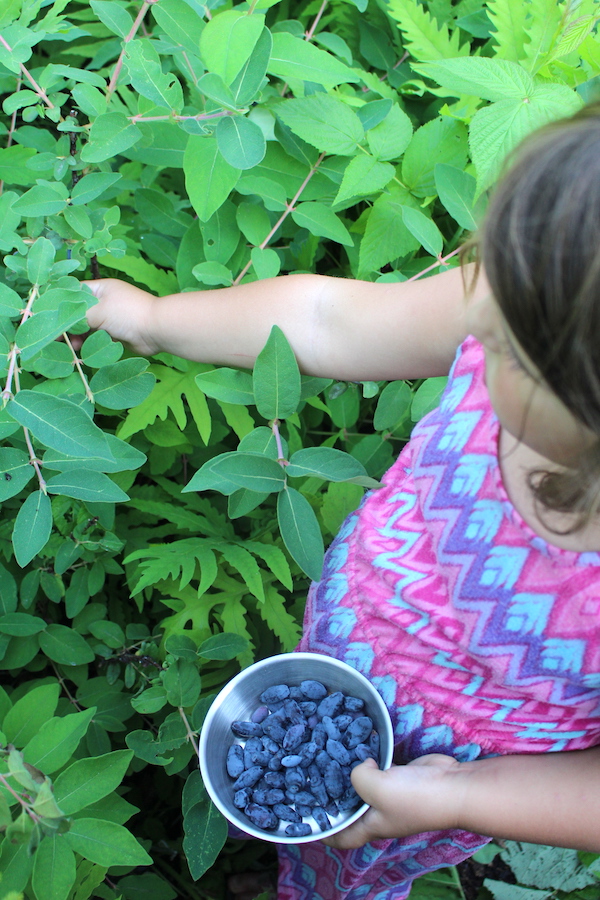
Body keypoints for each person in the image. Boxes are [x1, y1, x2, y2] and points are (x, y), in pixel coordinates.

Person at [84, 103, 600, 900]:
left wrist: (461, 798)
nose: (480, 321)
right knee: (299, 789)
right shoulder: (532, 291)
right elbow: (328, 318)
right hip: (341, 648)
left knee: (346, 870)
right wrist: (154, 320)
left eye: (502, 345)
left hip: (437, 780)